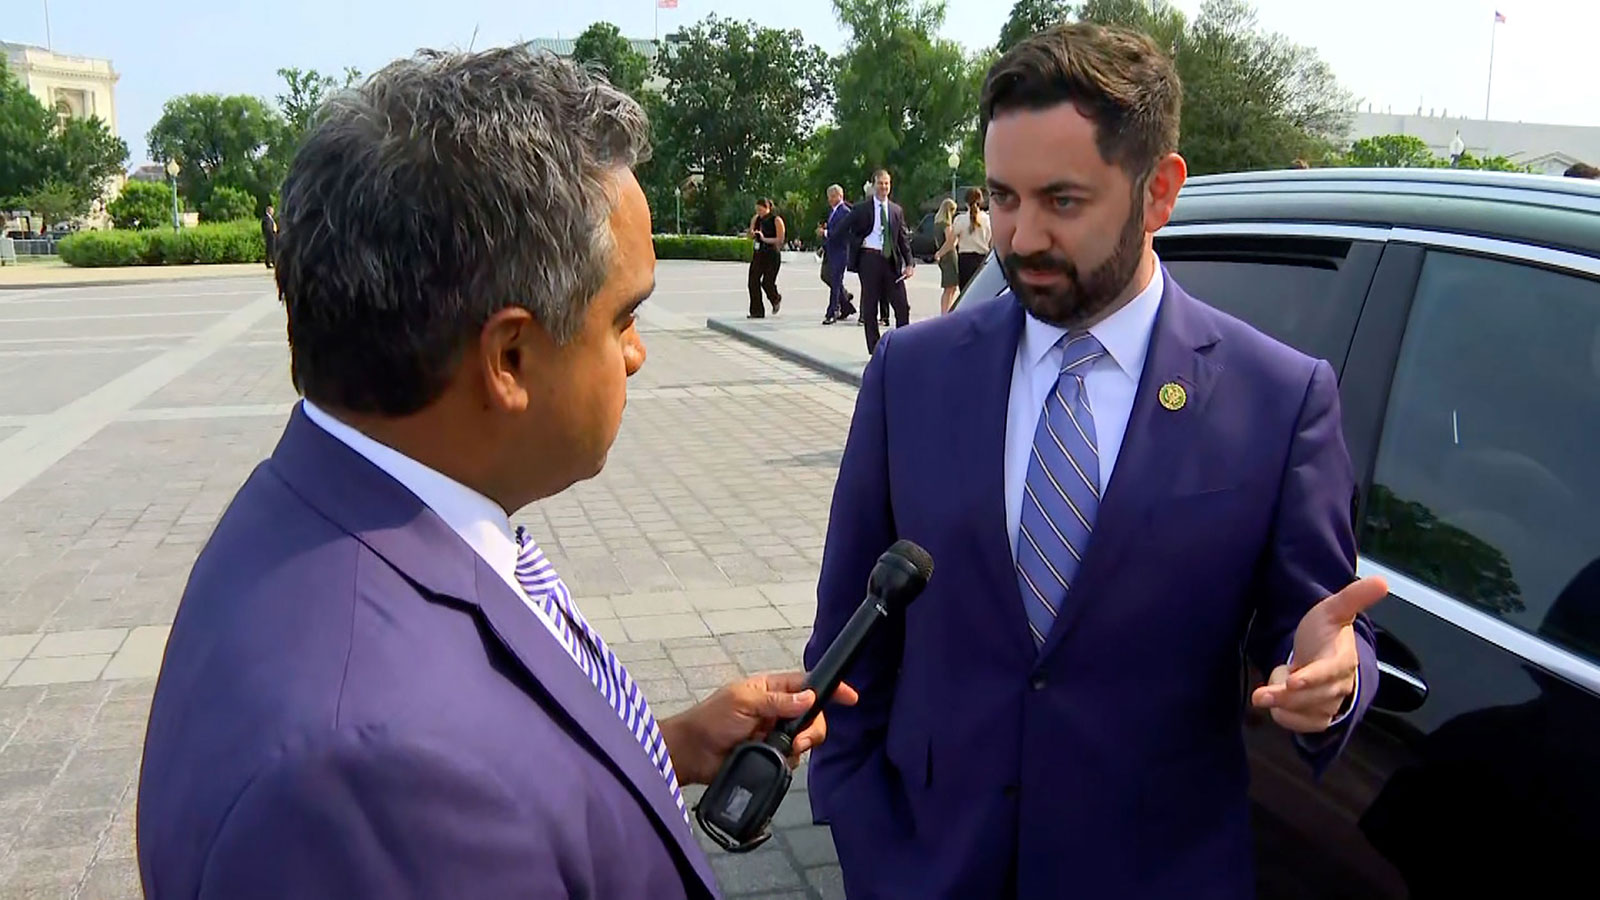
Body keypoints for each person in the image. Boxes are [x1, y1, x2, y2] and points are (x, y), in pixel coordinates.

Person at [138, 48, 852, 900]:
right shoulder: (366, 779)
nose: (637, 354)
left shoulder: (332, 515)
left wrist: (661, 747)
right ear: (508, 356)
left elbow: (498, 768)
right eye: (623, 316)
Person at [804, 23, 1382, 899]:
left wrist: (1332, 680)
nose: (1020, 236)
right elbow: (848, 649)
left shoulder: (1279, 399)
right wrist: (866, 836)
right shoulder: (908, 378)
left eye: (1062, 201)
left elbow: (1317, 632)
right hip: (927, 867)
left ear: (1160, 192)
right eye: (1001, 197)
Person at [844, 168, 915, 354]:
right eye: (880, 183)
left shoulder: (896, 210)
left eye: (886, 183)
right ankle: (874, 348)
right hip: (869, 259)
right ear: (874, 185)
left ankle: (903, 343)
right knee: (870, 305)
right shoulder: (862, 208)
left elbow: (902, 238)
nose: (884, 187)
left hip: (890, 261)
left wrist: (909, 263)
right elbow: (846, 228)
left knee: (901, 305)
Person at [818, 184, 858, 325]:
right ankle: (846, 303)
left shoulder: (844, 212)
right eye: (829, 197)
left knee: (835, 281)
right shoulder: (833, 211)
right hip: (831, 250)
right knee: (827, 277)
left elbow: (841, 232)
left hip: (840, 251)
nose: (829, 200)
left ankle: (833, 311)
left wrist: (826, 233)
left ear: (839, 196)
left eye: (832, 196)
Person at [746, 197, 784, 318]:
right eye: (757, 210)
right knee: (753, 281)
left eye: (761, 210)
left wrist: (764, 239)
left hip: (772, 254)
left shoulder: (776, 220)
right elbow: (750, 234)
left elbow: (780, 239)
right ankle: (756, 311)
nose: (759, 213)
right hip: (758, 254)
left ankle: (775, 298)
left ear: (768, 208)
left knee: (767, 282)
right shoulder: (756, 219)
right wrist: (752, 234)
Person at [951, 186, 992, 292]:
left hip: (965, 260)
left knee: (965, 293)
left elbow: (950, 242)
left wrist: (940, 253)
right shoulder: (988, 219)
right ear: (981, 200)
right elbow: (993, 243)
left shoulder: (960, 220)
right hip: (982, 260)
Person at [932, 197, 960, 314]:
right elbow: (950, 241)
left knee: (950, 286)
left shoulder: (937, 223)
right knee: (950, 287)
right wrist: (941, 253)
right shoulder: (946, 224)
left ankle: (946, 311)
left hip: (944, 257)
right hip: (949, 256)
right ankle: (945, 312)